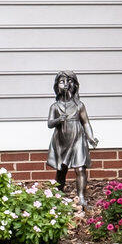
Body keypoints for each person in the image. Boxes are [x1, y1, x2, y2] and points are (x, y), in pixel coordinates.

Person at [46, 71, 97, 203]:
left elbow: (85, 122)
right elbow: (50, 124)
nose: (66, 85)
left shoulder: (79, 105)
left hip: (78, 139)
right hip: (61, 141)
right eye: (62, 81)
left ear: (75, 85)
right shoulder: (55, 107)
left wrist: (91, 137)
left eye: (69, 81)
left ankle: (81, 196)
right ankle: (58, 193)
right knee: (62, 170)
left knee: (80, 168)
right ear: (57, 85)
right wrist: (58, 120)